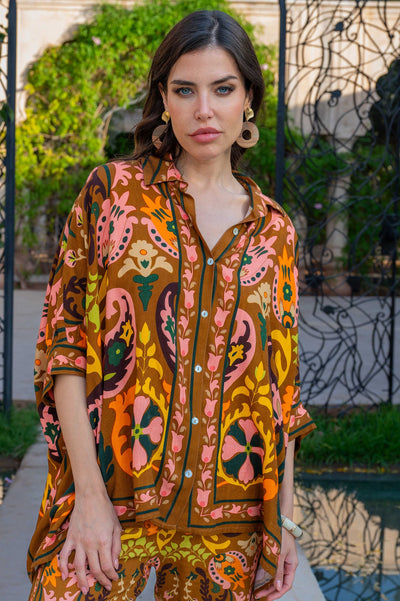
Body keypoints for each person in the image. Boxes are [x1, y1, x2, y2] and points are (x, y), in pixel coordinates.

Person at [28, 9, 315, 601]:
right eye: (185, 90)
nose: (203, 110)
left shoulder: (275, 232)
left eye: (223, 89)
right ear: (163, 98)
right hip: (111, 504)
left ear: (249, 100)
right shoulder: (113, 196)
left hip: (231, 527)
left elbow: (280, 389)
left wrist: (284, 522)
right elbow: (64, 348)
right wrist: (88, 496)